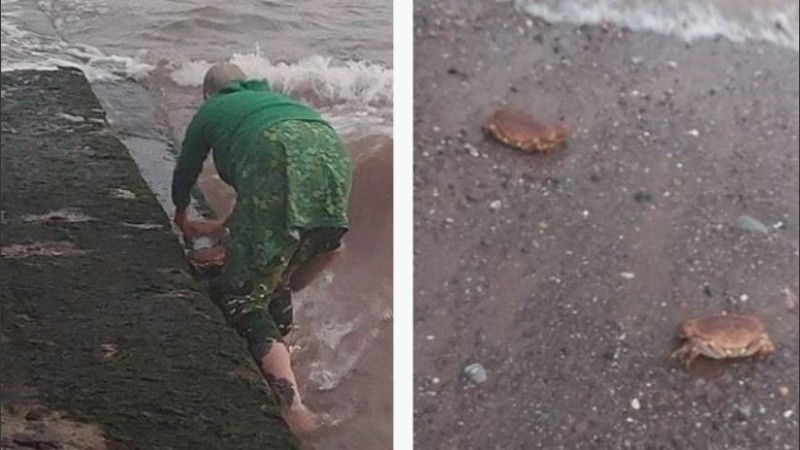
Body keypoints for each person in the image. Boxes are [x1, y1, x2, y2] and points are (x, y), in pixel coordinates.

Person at [171, 63, 350, 435]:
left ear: (208, 93)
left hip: (275, 154)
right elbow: (259, 191)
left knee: (241, 297)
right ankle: (283, 345)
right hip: (331, 151)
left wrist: (180, 212)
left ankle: (294, 406)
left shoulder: (212, 109)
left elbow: (187, 165)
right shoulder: (272, 101)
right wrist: (223, 228)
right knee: (278, 277)